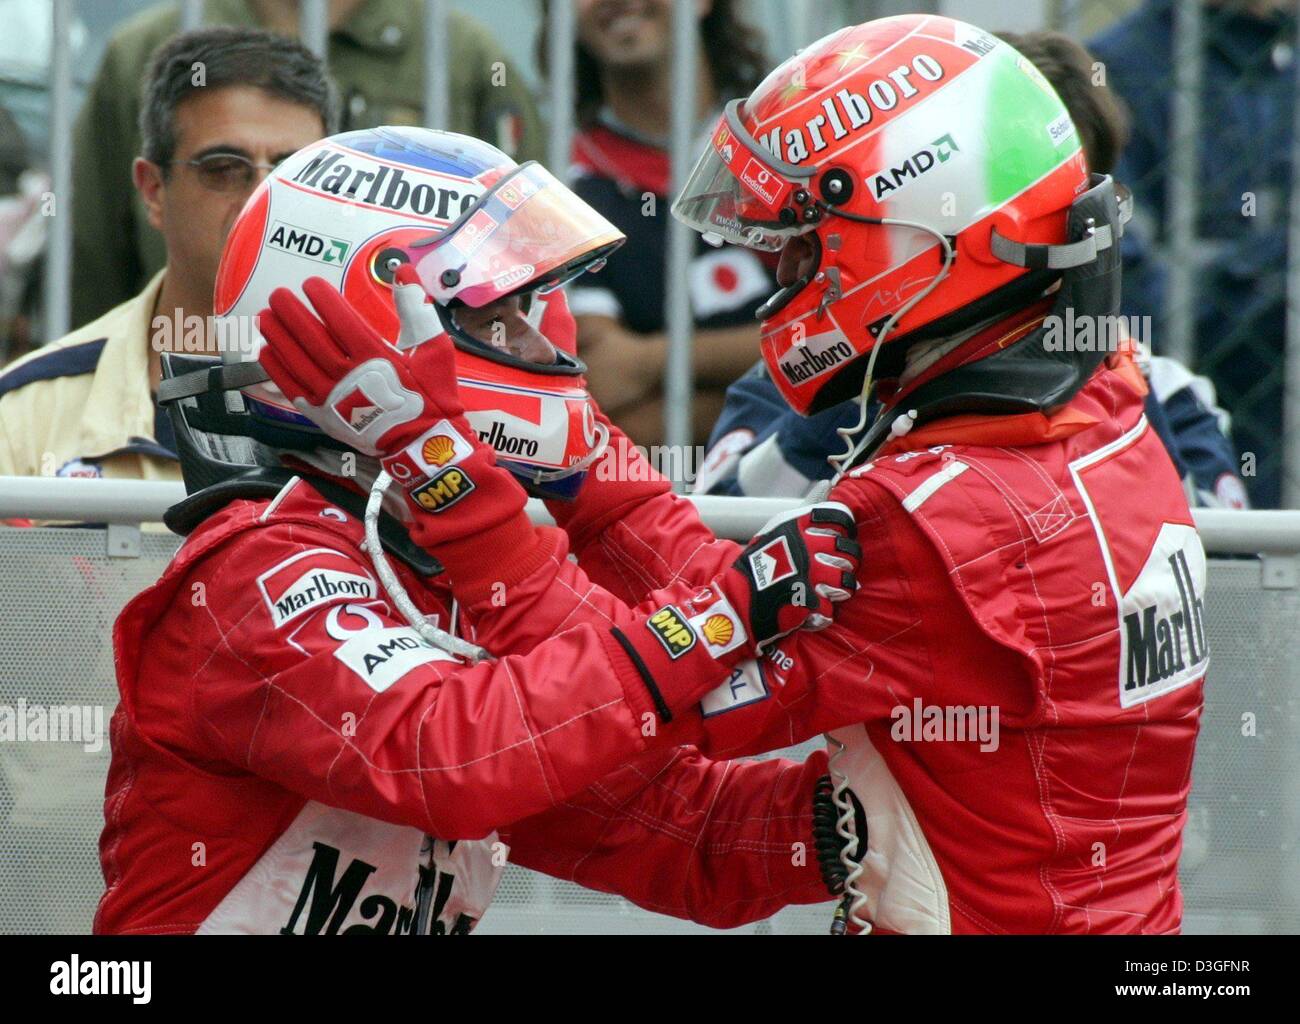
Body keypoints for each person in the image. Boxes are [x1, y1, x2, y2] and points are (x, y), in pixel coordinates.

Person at [95, 125, 863, 934]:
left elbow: (676, 832)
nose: (546, 348)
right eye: (503, 320)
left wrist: (854, 823)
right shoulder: (259, 567)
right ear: (382, 322)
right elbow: (455, 757)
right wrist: (718, 618)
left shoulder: (439, 570)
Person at [653, 14, 1200, 932]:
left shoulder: (936, 519)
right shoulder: (1110, 409)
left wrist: (511, 512)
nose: (779, 269)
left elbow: (643, 700)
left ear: (917, 230)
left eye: (802, 235)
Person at [698, 28, 1250, 511]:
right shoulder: (798, 374)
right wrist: (856, 383)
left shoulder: (1156, 386)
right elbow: (717, 537)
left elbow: (1221, 585)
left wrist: (1104, 380)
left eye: (1059, 193)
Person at [71, 0, 545, 331]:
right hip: (171, 368)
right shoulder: (143, 48)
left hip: (404, 390)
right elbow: (89, 255)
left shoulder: (462, 55)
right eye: (221, 167)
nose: (259, 189)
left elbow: (526, 246)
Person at [0, 27, 332, 485]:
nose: (263, 199)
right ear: (153, 191)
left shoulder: (408, 405)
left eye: (294, 172)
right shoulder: (24, 416)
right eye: (224, 169)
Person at [1090, 0, 1294, 507]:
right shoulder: (1121, 66)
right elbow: (1126, 285)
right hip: (1176, 392)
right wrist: (1266, 272)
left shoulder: (1282, 59)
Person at [548, 0, 773, 447]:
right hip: (678, 507)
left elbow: (861, 335)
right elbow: (614, 413)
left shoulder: (790, 138)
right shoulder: (566, 194)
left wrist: (651, 360)